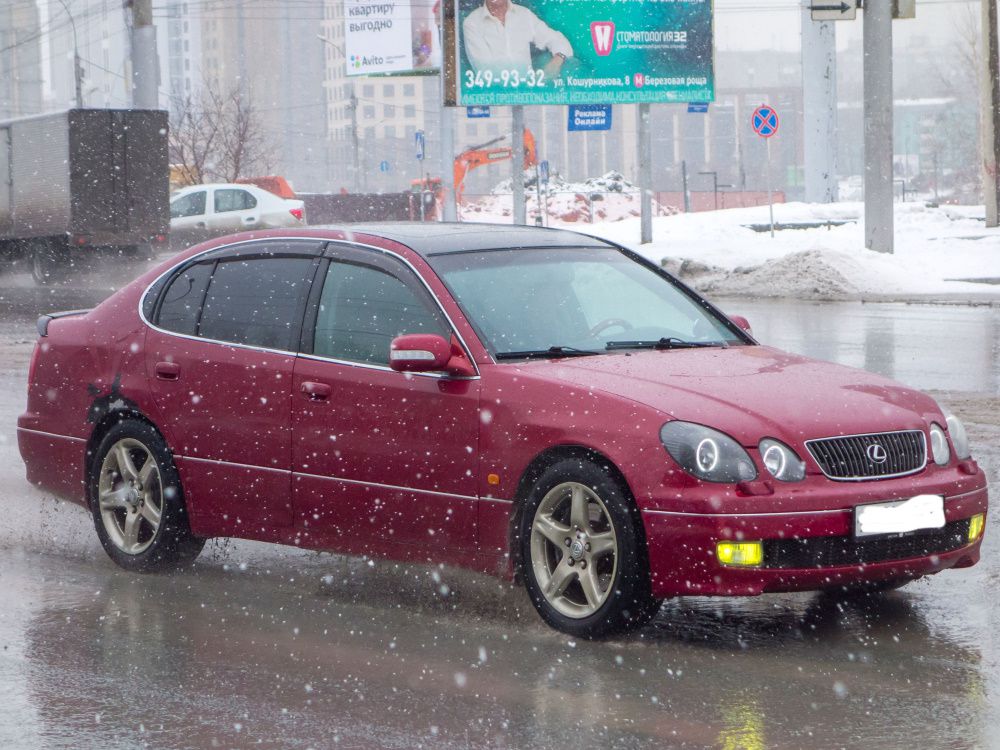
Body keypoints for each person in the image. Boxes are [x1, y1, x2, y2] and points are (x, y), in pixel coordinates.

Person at [462, 0, 573, 78]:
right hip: (494, 97)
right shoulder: (472, 23)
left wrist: (558, 59)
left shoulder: (524, 15)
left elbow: (557, 40)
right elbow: (485, 71)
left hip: (529, 94)